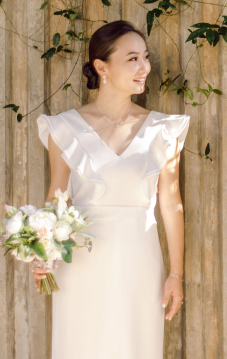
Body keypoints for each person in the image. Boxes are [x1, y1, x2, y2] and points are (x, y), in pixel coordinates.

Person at [32, 20, 189, 358]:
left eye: (145, 57)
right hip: (81, 263)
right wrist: (42, 252)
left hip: (140, 261)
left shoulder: (163, 129)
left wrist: (176, 273)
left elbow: (171, 204)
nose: (144, 67)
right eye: (132, 59)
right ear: (102, 67)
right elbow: (56, 199)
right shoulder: (65, 128)